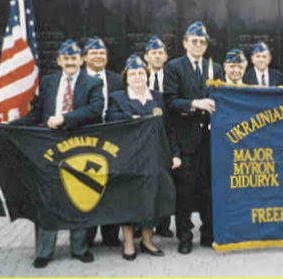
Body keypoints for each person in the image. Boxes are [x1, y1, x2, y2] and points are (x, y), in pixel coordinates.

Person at [10, 39, 103, 268]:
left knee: (78, 197)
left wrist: (65, 118)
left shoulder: (93, 83)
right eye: (66, 58)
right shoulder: (49, 82)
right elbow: (37, 114)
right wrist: (11, 126)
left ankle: (79, 248)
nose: (70, 62)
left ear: (81, 60)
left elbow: (95, 109)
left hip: (79, 147)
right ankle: (44, 251)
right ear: (59, 61)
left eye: (74, 58)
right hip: (50, 149)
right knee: (48, 198)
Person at [107, 54, 181, 260]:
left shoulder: (158, 98)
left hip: (156, 156)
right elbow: (112, 122)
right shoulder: (118, 98)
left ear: (147, 75)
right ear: (126, 77)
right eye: (133, 73)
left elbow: (170, 128)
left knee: (154, 199)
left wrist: (175, 154)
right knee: (128, 200)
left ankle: (148, 241)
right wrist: (132, 120)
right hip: (128, 159)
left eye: (141, 73)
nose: (137, 77)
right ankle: (129, 243)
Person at [163, 21, 224, 254]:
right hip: (185, 140)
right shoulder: (174, 67)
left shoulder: (214, 67)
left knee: (208, 189)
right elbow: (170, 102)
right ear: (185, 43)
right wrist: (194, 104)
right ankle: (185, 237)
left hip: (210, 141)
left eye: (202, 42)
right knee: (185, 193)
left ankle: (208, 234)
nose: (198, 45)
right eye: (194, 41)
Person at [82, 36, 124, 247]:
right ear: (84, 57)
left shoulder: (116, 79)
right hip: (86, 141)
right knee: (88, 187)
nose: (99, 56)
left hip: (112, 140)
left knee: (112, 189)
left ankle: (110, 235)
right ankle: (87, 236)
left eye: (102, 53)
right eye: (94, 53)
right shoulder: (78, 79)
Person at [143, 35, 174, 238]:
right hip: (145, 138)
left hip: (168, 133)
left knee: (167, 181)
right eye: (153, 53)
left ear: (166, 56)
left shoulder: (171, 76)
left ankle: (164, 224)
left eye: (160, 53)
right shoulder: (138, 75)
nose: (157, 56)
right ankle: (143, 225)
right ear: (146, 56)